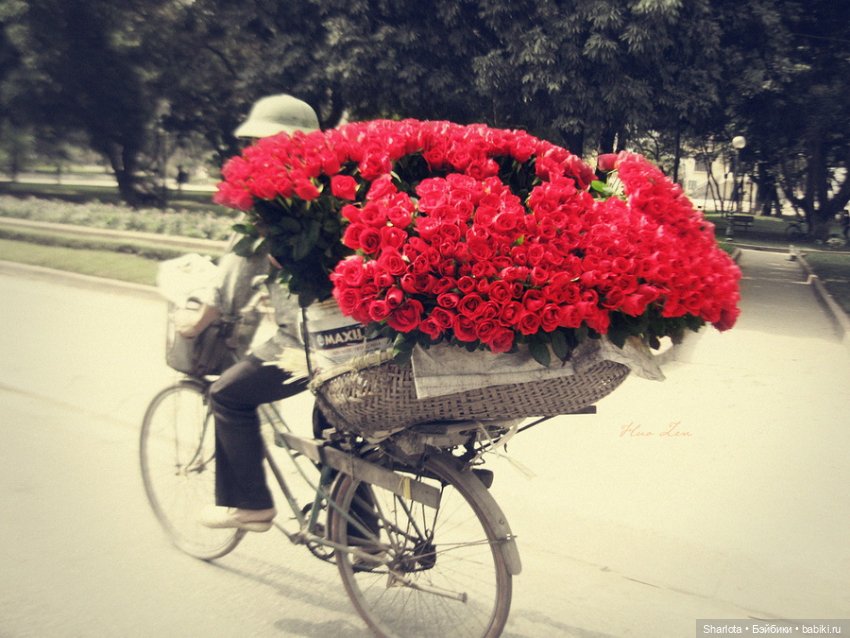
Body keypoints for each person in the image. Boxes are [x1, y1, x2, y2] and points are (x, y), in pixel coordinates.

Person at [174, 94, 321, 532]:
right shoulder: (334, 192)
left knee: (227, 394)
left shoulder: (272, 206)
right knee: (338, 428)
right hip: (361, 341)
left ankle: (251, 505)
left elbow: (229, 291)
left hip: (307, 345)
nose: (253, 151)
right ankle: (359, 533)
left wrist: (194, 324)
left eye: (258, 143)